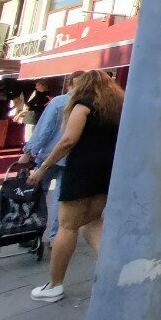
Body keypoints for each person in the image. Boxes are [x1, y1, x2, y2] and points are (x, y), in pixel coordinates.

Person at [27, 70, 123, 303]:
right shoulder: (117, 108)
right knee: (92, 221)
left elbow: (68, 140)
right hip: (106, 170)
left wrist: (43, 168)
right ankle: (117, 270)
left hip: (81, 170)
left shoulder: (83, 105)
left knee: (67, 226)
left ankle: (54, 284)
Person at [17, 72, 83, 247]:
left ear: (69, 84)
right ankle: (56, 237)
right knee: (61, 199)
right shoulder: (85, 105)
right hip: (71, 157)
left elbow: (44, 129)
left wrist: (30, 151)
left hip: (48, 154)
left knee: (37, 194)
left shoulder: (58, 102)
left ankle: (31, 233)